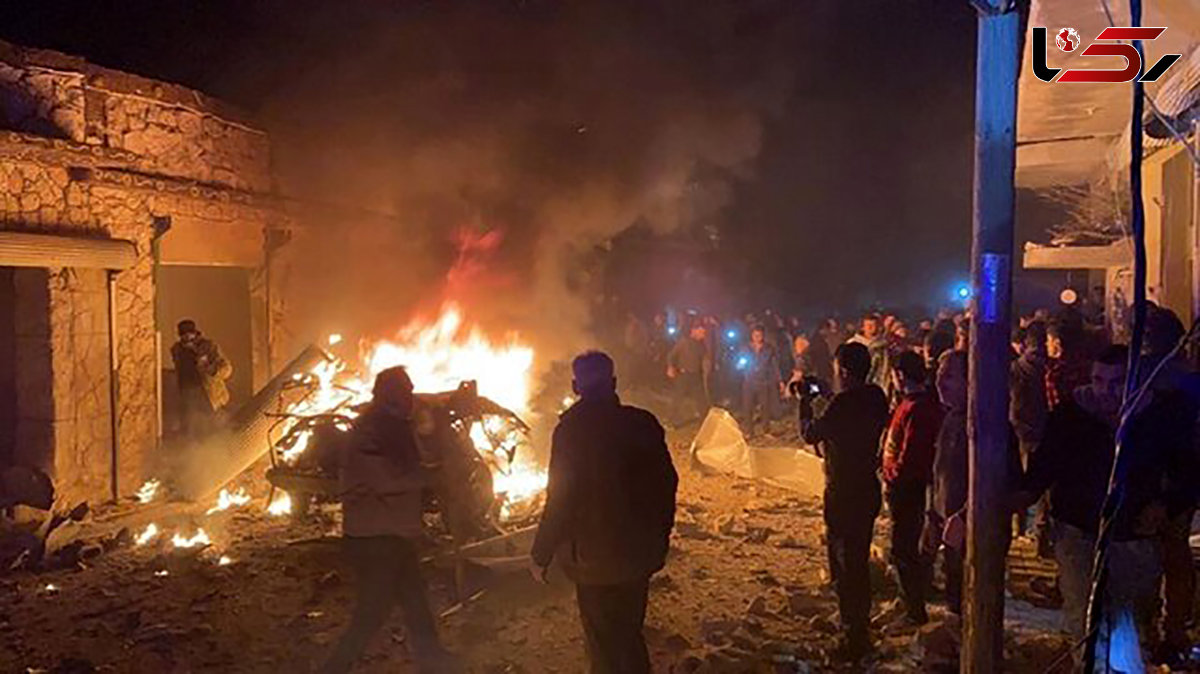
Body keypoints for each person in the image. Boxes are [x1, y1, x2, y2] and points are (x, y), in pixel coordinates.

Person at [1022, 344, 1195, 658]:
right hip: (1078, 526)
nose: (1106, 391)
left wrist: (1166, 506)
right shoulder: (1071, 414)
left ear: (1134, 380)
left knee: (1129, 616)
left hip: (1133, 530)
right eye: (1099, 380)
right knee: (1082, 613)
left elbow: (1187, 470)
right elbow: (1045, 467)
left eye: (1116, 382)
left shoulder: (1159, 415)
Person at [531, 351, 678, 674]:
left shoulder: (569, 431)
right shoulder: (643, 423)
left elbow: (560, 498)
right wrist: (659, 539)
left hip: (591, 560)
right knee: (629, 634)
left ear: (575, 386)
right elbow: (666, 486)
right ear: (613, 382)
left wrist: (540, 554)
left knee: (602, 644)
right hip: (637, 555)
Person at [322, 367, 456, 674]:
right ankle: (335, 667)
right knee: (372, 612)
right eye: (404, 391)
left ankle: (434, 660)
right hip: (374, 537)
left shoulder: (393, 428)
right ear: (388, 394)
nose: (410, 397)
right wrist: (430, 477)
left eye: (410, 390)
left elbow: (409, 466)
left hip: (394, 534)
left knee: (415, 601)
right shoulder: (370, 431)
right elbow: (387, 480)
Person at [800, 343, 890, 660]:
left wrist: (805, 403)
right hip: (867, 487)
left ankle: (853, 636)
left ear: (844, 371)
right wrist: (827, 394)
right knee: (858, 559)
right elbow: (849, 413)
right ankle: (858, 624)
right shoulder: (876, 397)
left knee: (846, 564)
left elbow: (811, 433)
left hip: (843, 492)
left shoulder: (842, 405)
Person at [880, 351, 944, 625]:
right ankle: (910, 601)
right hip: (904, 486)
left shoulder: (918, 409)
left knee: (903, 549)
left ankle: (914, 610)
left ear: (900, 375)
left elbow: (912, 457)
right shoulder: (909, 404)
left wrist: (891, 475)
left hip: (908, 488)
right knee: (903, 548)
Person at [926, 351, 969, 615]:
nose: (940, 383)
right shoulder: (951, 419)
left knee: (969, 598)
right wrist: (933, 515)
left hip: (972, 534)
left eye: (950, 376)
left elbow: (1001, 483)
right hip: (947, 525)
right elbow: (940, 472)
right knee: (953, 594)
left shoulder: (984, 425)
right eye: (940, 375)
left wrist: (964, 516)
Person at [1010, 321, 1050, 541]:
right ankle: (1041, 532)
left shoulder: (1017, 367)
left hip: (1021, 429)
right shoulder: (1052, 367)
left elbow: (1011, 398)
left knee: (1020, 479)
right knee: (1043, 486)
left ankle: (1019, 527)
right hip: (1046, 430)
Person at [170, 319, 232, 439]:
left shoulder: (208, 346)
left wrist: (209, 367)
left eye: (189, 334)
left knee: (214, 431)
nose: (187, 337)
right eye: (183, 335)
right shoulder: (176, 349)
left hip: (210, 396)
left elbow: (226, 368)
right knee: (190, 432)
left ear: (195, 333)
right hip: (187, 397)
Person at [666, 322, 712, 424]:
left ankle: (704, 421)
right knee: (678, 398)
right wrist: (670, 367)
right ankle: (671, 420)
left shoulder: (702, 344)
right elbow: (671, 356)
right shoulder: (684, 342)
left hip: (696, 376)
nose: (703, 335)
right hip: (684, 375)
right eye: (701, 332)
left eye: (704, 333)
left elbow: (705, 358)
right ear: (693, 331)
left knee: (701, 399)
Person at [742, 325, 782, 434]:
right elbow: (740, 362)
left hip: (764, 381)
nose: (757, 337)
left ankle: (766, 431)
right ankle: (749, 431)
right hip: (749, 381)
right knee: (748, 407)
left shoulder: (769, 348)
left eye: (759, 335)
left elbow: (774, 366)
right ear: (751, 335)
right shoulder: (746, 348)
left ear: (763, 336)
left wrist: (780, 381)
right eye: (755, 335)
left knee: (765, 407)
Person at [849, 314, 890, 392]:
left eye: (874, 325)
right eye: (869, 325)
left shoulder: (883, 345)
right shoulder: (853, 343)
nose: (872, 328)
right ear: (863, 327)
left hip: (880, 381)